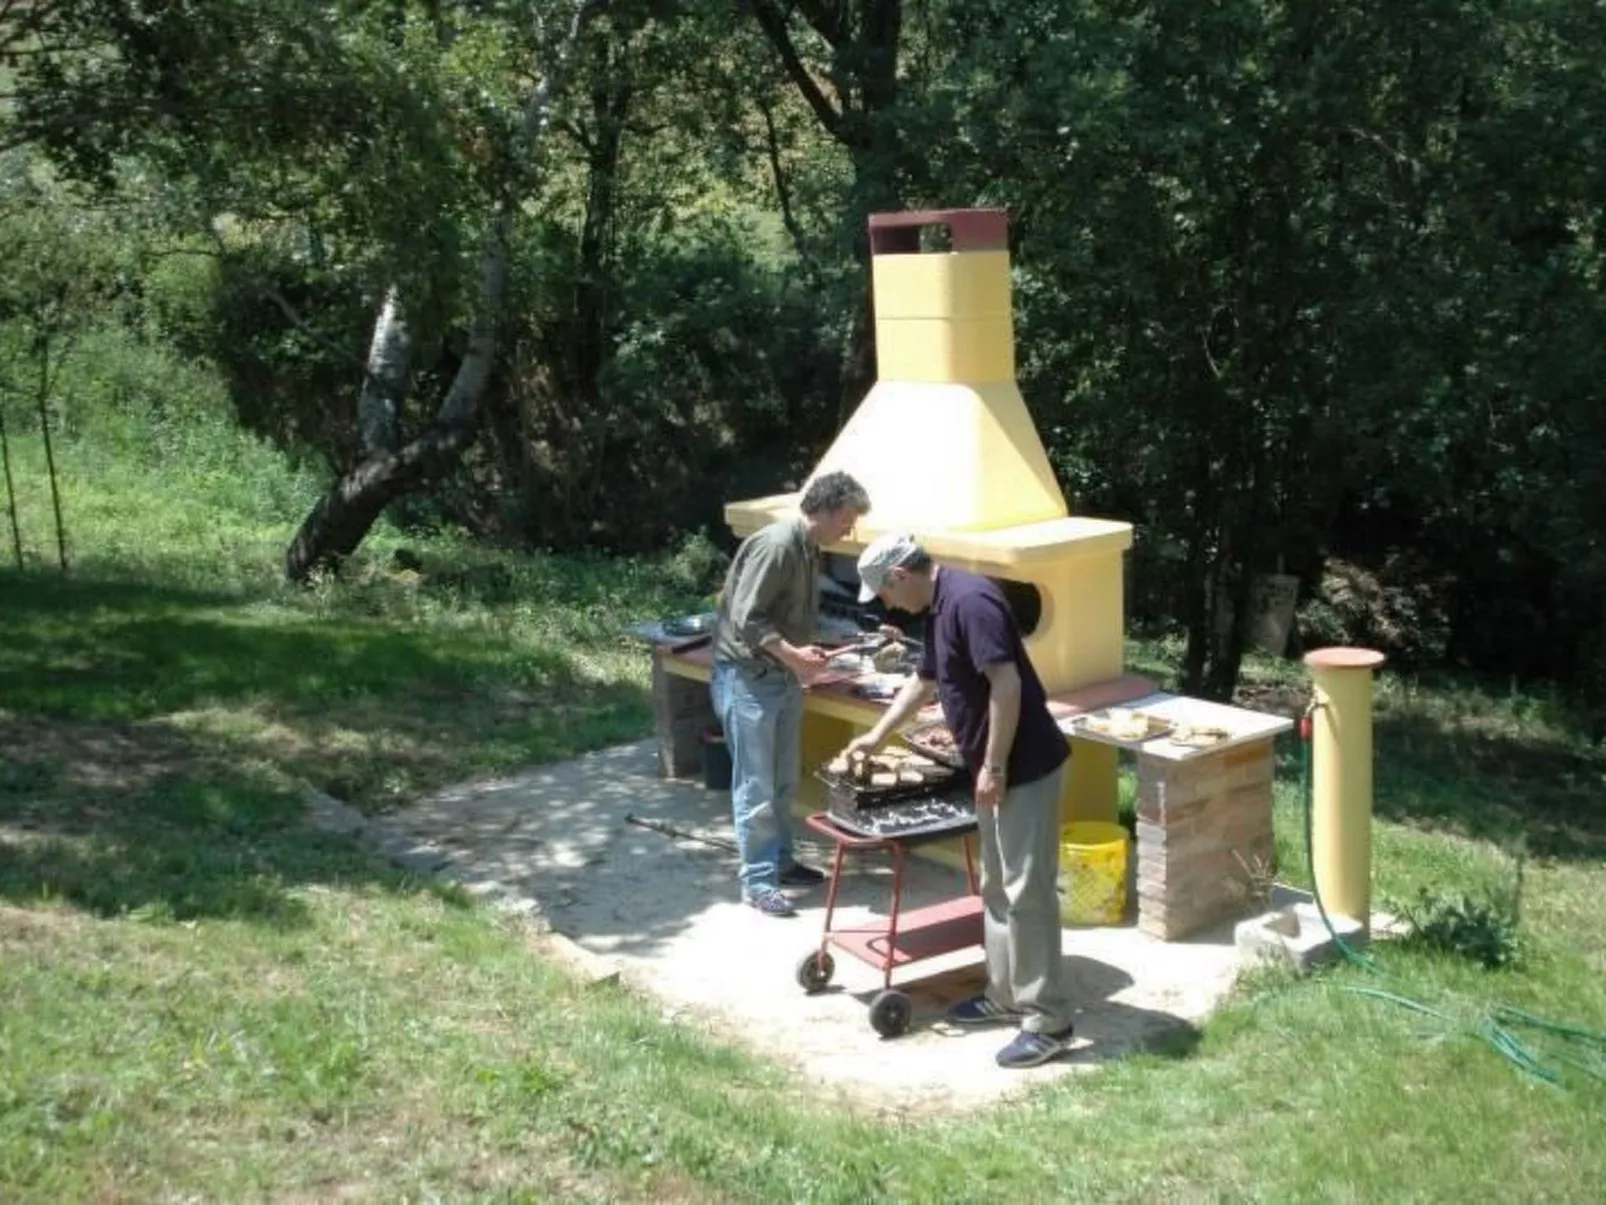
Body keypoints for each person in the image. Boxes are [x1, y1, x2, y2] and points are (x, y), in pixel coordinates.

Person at [847, 533, 1075, 1068]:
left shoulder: (971, 601)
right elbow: (924, 681)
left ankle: (1049, 1021)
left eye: (885, 592)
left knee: (1028, 892)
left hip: (1024, 767)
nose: (887, 605)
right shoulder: (938, 604)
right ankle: (1006, 995)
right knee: (997, 886)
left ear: (900, 575)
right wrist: (877, 735)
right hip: (992, 770)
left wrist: (995, 765)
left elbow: (1007, 685)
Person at [711, 471, 872, 917]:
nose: (849, 531)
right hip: (748, 678)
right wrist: (795, 657)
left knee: (783, 781)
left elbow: (792, 618)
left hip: (781, 677)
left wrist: (833, 644)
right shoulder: (778, 545)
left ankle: (781, 862)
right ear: (825, 510)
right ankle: (758, 881)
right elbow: (747, 617)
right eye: (847, 520)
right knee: (756, 785)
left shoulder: (809, 549)